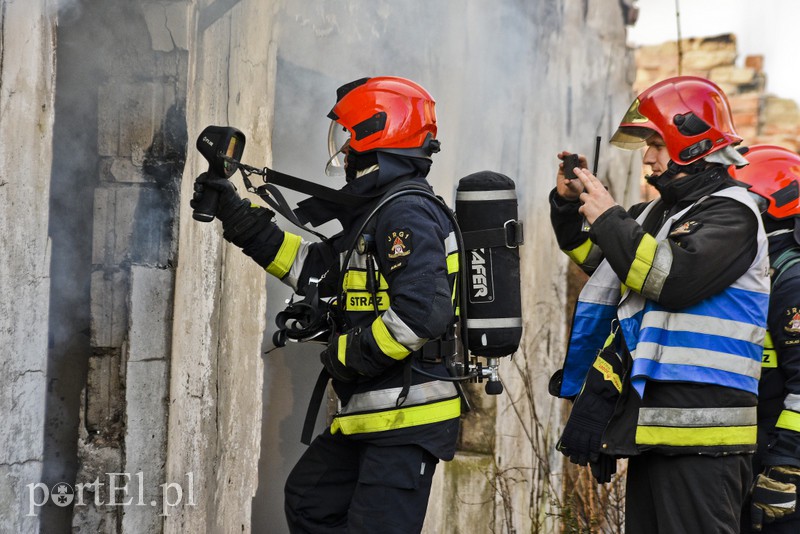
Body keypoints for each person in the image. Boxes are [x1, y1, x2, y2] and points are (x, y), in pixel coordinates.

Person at [190, 76, 462, 533]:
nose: (345, 150)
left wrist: (348, 355)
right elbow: (312, 269)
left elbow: (422, 312)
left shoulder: (405, 214)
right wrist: (234, 213)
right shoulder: (380, 213)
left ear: (379, 135)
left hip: (405, 417)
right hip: (375, 411)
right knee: (310, 501)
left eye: (350, 136)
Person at [549, 75, 770, 533]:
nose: (648, 157)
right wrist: (570, 205)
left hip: (706, 437)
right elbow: (598, 255)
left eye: (656, 142)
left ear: (692, 143)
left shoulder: (732, 213)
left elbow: (669, 278)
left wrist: (610, 214)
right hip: (653, 427)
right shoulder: (659, 213)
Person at [729, 145, 800, 533]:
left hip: (782, 466)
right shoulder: (758, 269)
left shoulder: (791, 279)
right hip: (754, 450)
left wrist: (785, 471)